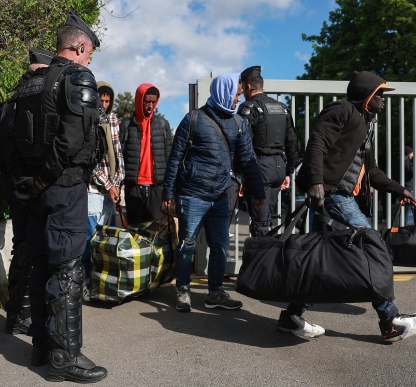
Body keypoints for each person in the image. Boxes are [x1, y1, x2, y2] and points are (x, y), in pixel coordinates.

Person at [278, 71, 416, 343]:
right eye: (380, 95)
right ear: (367, 95)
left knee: (318, 258)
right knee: (372, 249)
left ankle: (291, 316)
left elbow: (372, 171)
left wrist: (399, 190)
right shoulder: (343, 110)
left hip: (334, 197)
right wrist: (316, 182)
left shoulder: (365, 124)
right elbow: (316, 144)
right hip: (333, 195)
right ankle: (390, 321)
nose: (383, 101)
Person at [5, 10, 107, 383]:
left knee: (40, 263)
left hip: (35, 190)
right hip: (62, 189)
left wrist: (27, 182)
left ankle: (41, 348)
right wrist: (45, 180)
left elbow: (11, 138)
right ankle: (65, 358)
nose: (89, 59)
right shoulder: (79, 77)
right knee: (66, 269)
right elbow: (73, 140)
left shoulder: (29, 83)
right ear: (78, 46)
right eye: (90, 52)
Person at [162, 73, 265, 312]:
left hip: (220, 196)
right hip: (192, 194)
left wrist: (257, 190)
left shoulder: (239, 123)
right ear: (224, 92)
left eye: (239, 95)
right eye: (236, 94)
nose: (238, 99)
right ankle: (183, 290)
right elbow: (175, 158)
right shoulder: (194, 119)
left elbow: (248, 161)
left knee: (219, 246)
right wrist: (168, 193)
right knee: (187, 244)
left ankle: (215, 293)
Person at [0, 48, 55, 336]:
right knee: (27, 248)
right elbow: (10, 150)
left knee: (27, 247)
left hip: (20, 183)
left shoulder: (13, 99)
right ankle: (18, 315)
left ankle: (19, 314)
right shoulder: (22, 101)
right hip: (25, 186)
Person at [237, 66, 299, 237]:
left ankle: (262, 262)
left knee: (260, 225)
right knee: (266, 219)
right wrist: (288, 172)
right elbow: (292, 142)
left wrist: (240, 175)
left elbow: (243, 144)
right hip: (279, 167)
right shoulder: (282, 108)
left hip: (260, 168)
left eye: (242, 88)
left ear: (248, 86)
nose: (241, 93)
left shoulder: (248, 108)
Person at [81, 81, 125, 301]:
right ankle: (85, 283)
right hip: (93, 191)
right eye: (102, 100)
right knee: (90, 240)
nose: (105, 105)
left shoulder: (114, 120)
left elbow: (118, 154)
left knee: (106, 241)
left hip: (111, 191)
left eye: (108, 101)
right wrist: (108, 185)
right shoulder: (87, 120)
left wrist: (117, 182)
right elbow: (89, 161)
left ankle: (102, 284)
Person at [119, 84, 173, 224]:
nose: (150, 106)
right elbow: (120, 158)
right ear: (139, 100)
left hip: (156, 187)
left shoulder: (162, 125)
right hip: (133, 187)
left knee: (155, 233)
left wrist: (169, 190)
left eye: (153, 102)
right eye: (147, 101)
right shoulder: (125, 126)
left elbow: (169, 159)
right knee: (134, 232)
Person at [391, 145, 415, 225]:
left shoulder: (397, 160)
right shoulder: (406, 161)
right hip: (406, 188)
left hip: (398, 186)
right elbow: (412, 173)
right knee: (406, 208)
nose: (413, 155)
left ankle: (396, 224)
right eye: (412, 153)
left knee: (398, 207)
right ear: (408, 153)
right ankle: (402, 226)